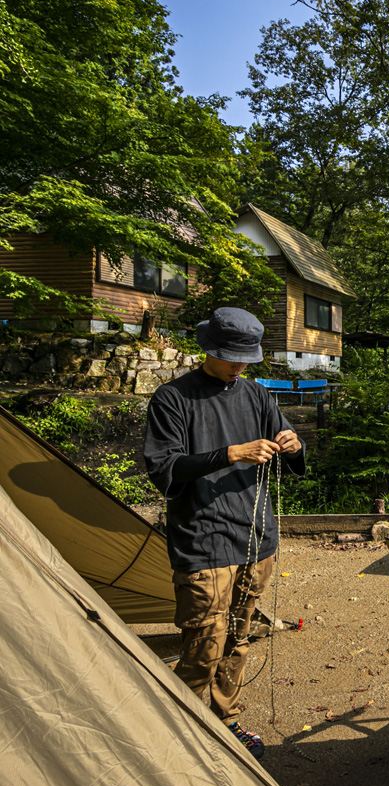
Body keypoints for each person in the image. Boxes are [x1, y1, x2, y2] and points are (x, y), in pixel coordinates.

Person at [143, 307, 305, 759]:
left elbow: (286, 438)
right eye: (231, 357)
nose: (239, 366)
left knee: (238, 636)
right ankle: (184, 736)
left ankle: (226, 719)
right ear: (208, 349)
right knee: (203, 641)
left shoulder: (256, 394)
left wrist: (293, 443)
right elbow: (164, 468)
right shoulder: (173, 398)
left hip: (255, 535)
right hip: (202, 537)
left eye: (245, 359)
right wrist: (229, 453)